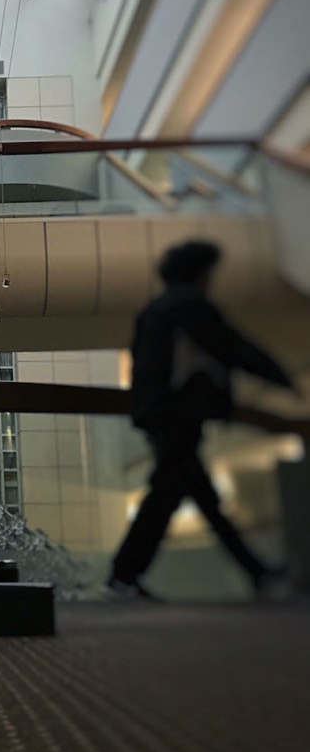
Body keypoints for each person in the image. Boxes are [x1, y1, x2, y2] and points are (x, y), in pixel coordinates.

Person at [107, 239, 295, 600]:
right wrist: (280, 377)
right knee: (167, 496)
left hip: (159, 413)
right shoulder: (190, 306)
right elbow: (232, 347)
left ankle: (256, 572)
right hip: (179, 413)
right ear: (200, 273)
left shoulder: (154, 310)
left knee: (198, 497)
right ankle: (122, 576)